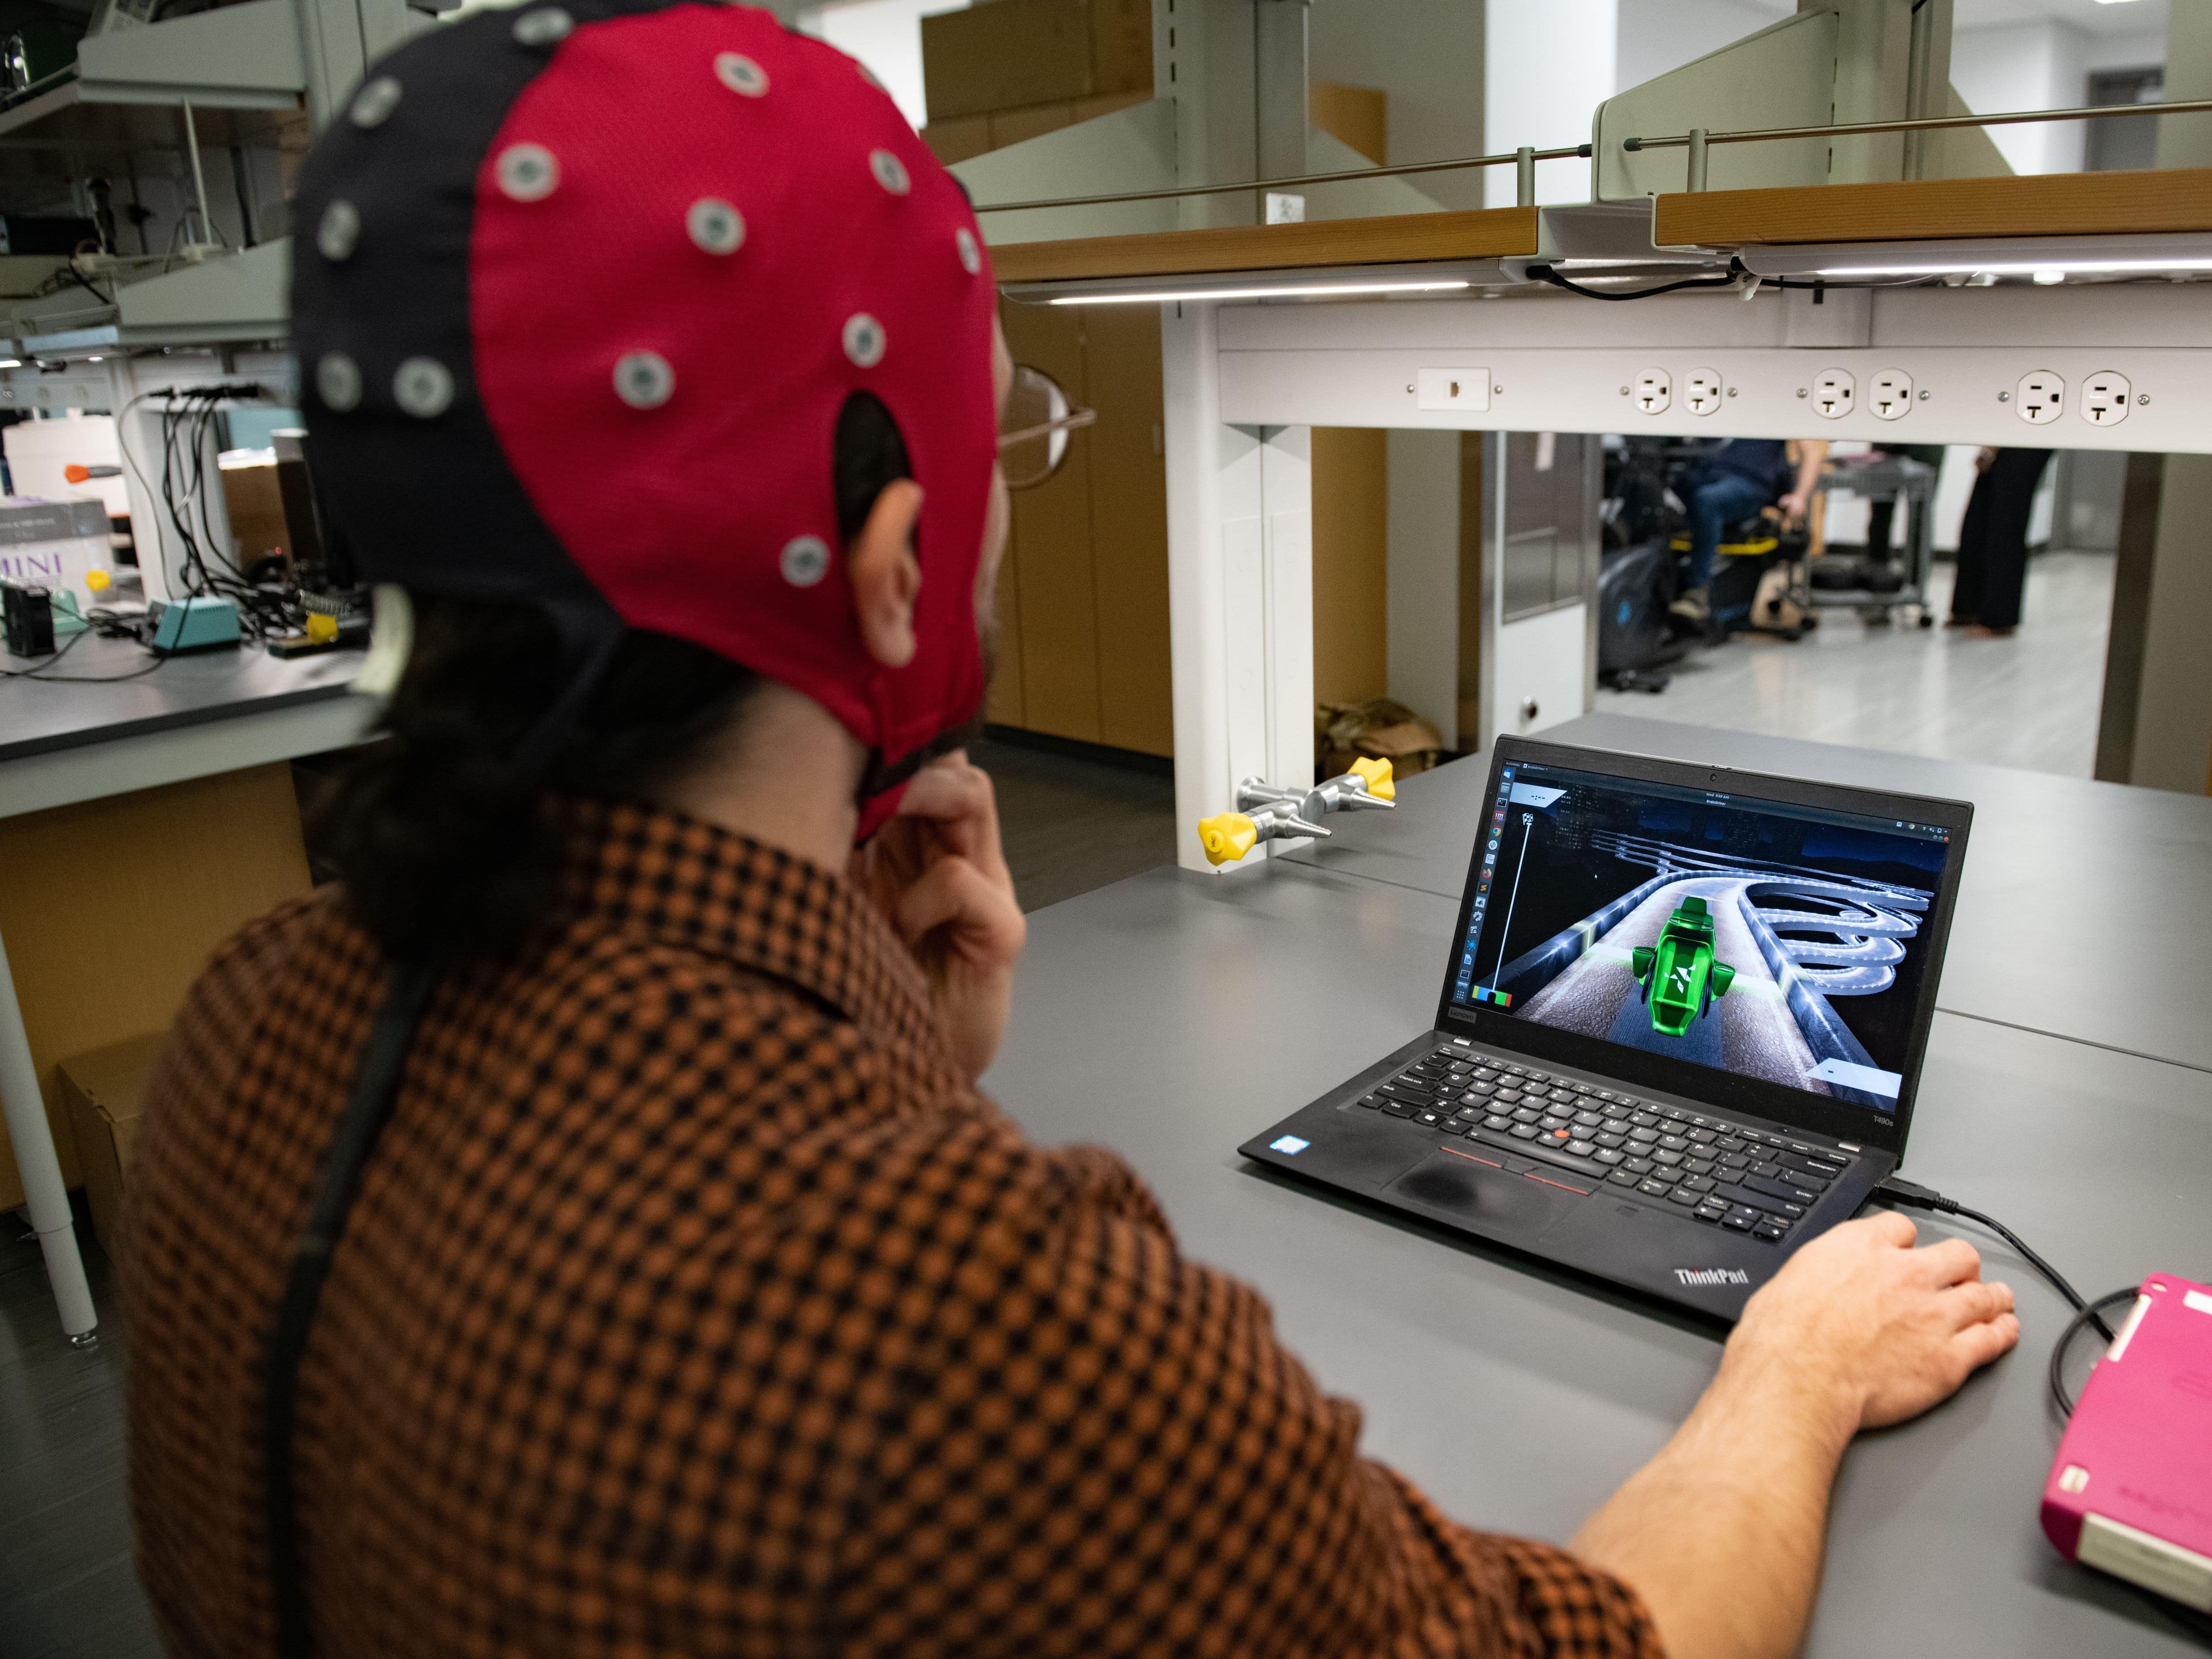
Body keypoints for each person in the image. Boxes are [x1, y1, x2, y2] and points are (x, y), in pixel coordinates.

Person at [119, 10, 2019, 1659]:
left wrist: (876, 1056)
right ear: (890, 575)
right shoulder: (952, 1308)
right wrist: (1793, 1365)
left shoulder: (246, 1024)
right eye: (999, 451)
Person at [1671, 438, 1827, 625]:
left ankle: (1697, 593)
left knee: (1708, 500)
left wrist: (1800, 496)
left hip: (1750, 484)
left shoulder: (1774, 411)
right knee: (1648, 483)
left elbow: (1812, 452)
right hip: (1707, 474)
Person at [1949, 446, 2055, 636]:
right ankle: (1969, 608)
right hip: (2005, 439)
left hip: (2023, 440)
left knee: (2005, 523)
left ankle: (1999, 619)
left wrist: (1990, 449)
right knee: (1979, 520)